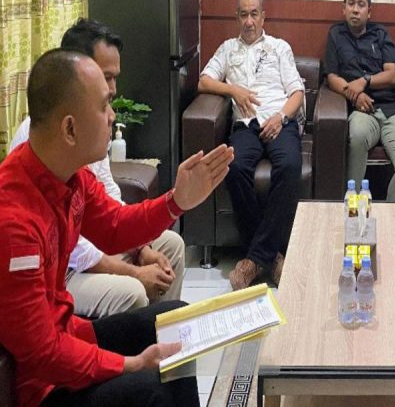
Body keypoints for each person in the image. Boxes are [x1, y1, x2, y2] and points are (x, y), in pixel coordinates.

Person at [0, 48, 234, 407]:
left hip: (67, 336)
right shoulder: (14, 220)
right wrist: (129, 365)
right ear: (69, 128)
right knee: (149, 388)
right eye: (104, 106)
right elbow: (42, 354)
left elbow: (115, 227)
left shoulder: (69, 176)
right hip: (42, 386)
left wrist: (177, 201)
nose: (112, 116)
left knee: (175, 323)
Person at [9, 18, 186, 318]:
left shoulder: (82, 161)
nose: (112, 90)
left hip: (90, 250)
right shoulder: (42, 146)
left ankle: (159, 337)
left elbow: (111, 214)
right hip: (70, 268)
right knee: (132, 292)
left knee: (171, 247)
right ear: (77, 73)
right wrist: (132, 272)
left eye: (114, 78)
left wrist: (170, 211)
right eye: (106, 78)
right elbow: (75, 249)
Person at [199, 0, 304, 289]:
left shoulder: (279, 47)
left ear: (263, 17)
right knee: (233, 168)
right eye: (243, 14)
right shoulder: (228, 49)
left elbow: (297, 92)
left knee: (289, 167)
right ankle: (271, 258)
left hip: (278, 121)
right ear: (237, 17)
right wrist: (233, 90)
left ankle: (252, 261)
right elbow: (204, 81)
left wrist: (281, 117)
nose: (249, 21)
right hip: (246, 125)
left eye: (254, 14)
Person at [323, 0, 395, 201]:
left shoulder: (380, 34)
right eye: (351, 4)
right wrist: (354, 94)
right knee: (356, 137)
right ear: (343, 8)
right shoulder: (336, 34)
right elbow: (332, 77)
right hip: (361, 111)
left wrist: (365, 81)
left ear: (369, 10)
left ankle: (391, 213)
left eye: (361, 4)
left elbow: (392, 76)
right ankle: (353, 207)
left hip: (392, 110)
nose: (355, 9)